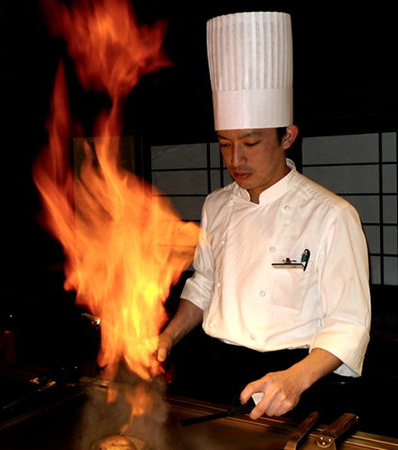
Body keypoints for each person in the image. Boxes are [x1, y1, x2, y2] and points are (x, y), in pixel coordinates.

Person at [155, 11, 371, 422]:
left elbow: (349, 323)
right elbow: (203, 287)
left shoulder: (332, 215)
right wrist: (166, 338)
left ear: (287, 136)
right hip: (210, 372)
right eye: (225, 144)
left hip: (291, 381)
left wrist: (295, 379)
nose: (236, 159)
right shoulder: (216, 205)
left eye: (251, 143)